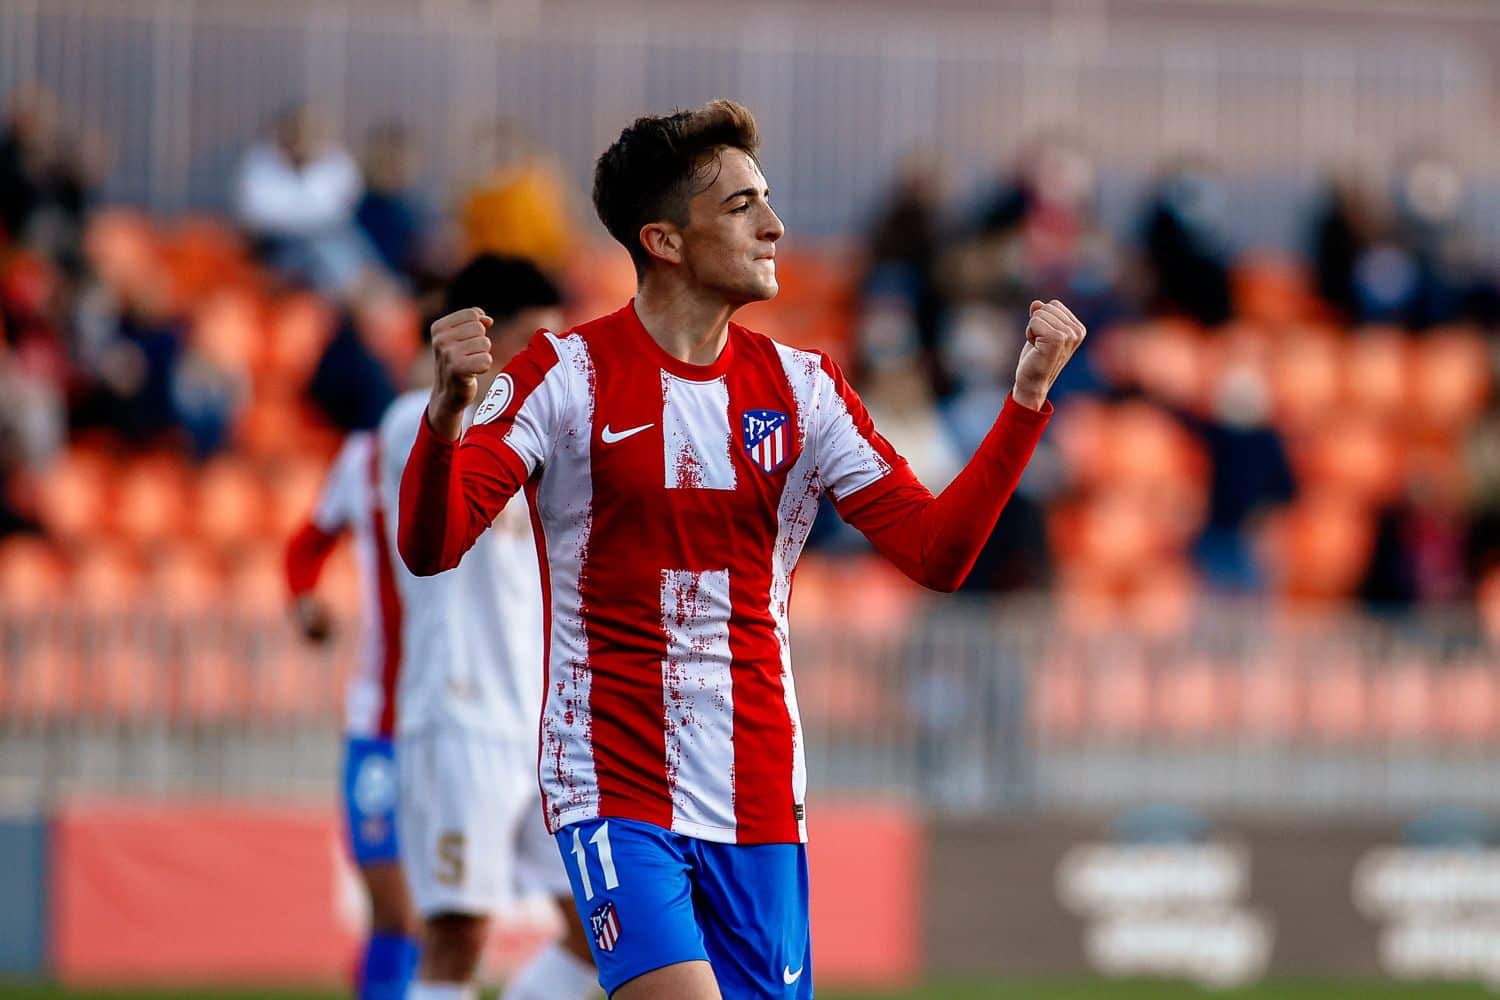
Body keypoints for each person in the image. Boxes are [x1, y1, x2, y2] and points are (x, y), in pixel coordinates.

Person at [398, 100, 1085, 999]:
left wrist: (1024, 404)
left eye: (766, 198)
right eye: (740, 205)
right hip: (613, 782)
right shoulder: (561, 376)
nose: (774, 224)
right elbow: (434, 543)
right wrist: (446, 419)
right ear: (664, 241)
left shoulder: (805, 389)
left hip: (759, 793)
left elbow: (936, 554)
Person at [376, 255, 597, 1000]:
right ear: (482, 338)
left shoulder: (545, 432)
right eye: (534, 343)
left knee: (600, 931)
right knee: (458, 935)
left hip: (544, 724)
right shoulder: (417, 422)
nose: (549, 362)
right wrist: (452, 387)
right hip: (460, 716)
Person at [285, 429, 421, 1000]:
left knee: (431, 918)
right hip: (379, 728)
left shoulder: (495, 441)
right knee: (395, 908)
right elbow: (305, 548)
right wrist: (305, 603)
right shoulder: (363, 459)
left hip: (458, 726)